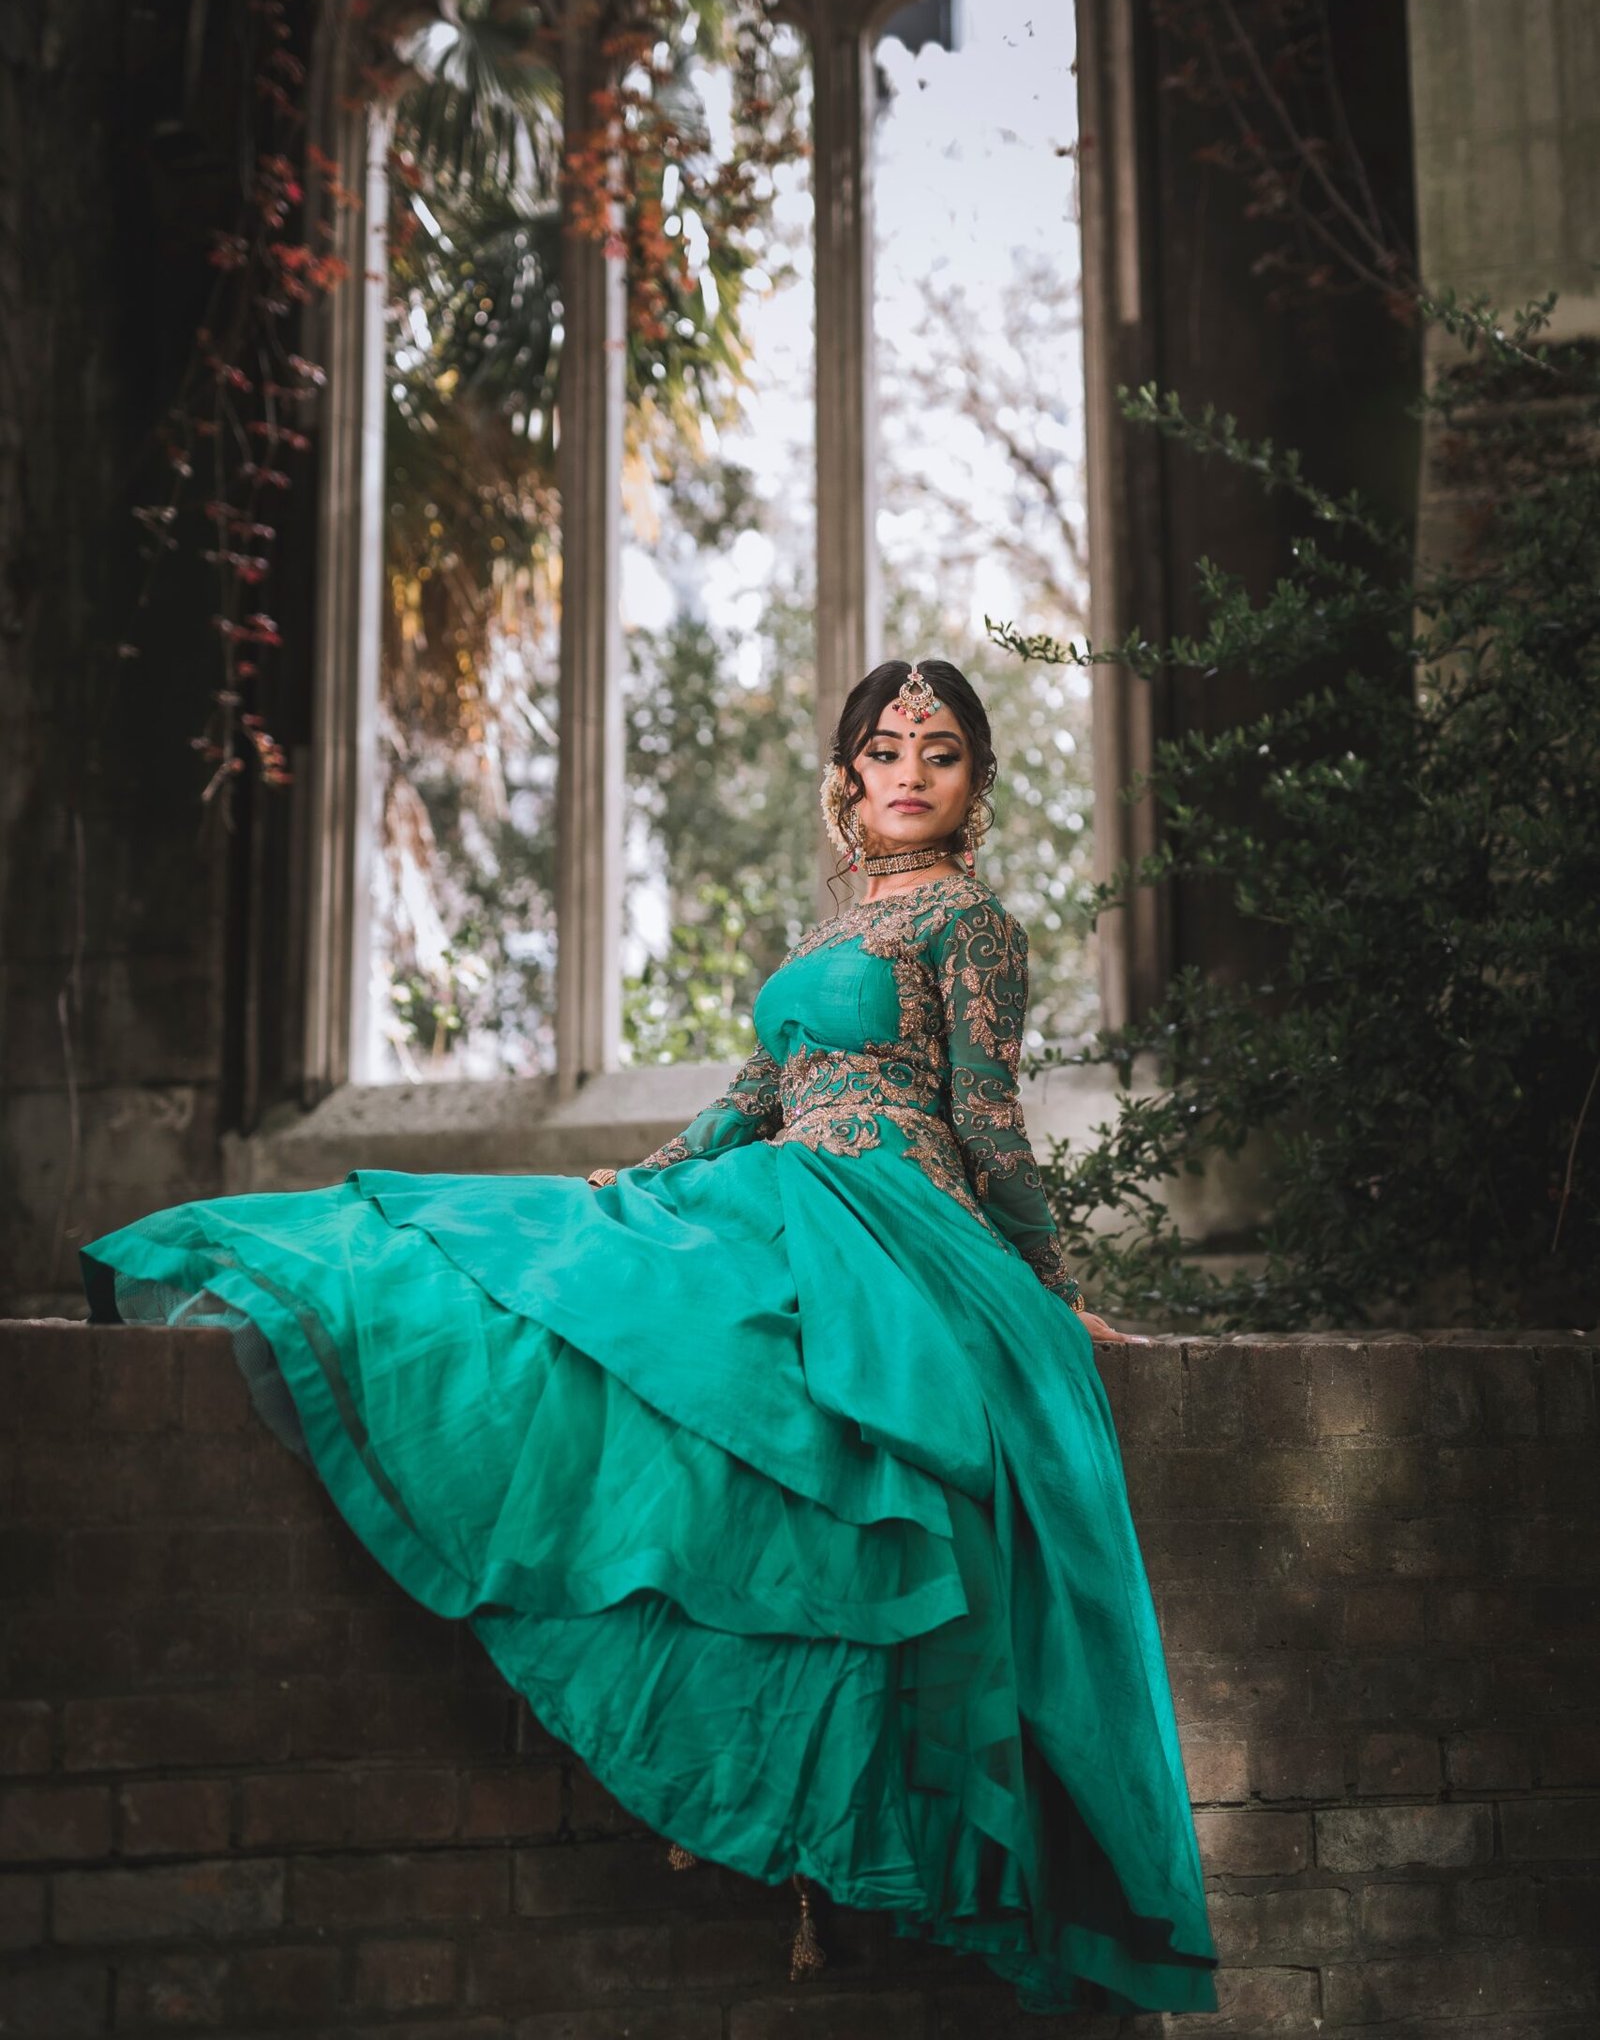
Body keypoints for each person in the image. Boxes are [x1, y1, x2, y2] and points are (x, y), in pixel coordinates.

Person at [82, 658, 1218, 2017]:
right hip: (786, 1185)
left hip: (897, 1216)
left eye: (943, 751)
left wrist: (1046, 1281)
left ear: (976, 782)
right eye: (884, 749)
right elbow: (750, 1101)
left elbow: (990, 1127)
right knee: (554, 1281)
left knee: (806, 1428)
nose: (910, 771)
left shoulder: (974, 924)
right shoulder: (831, 937)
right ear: (848, 777)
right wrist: (623, 1186)